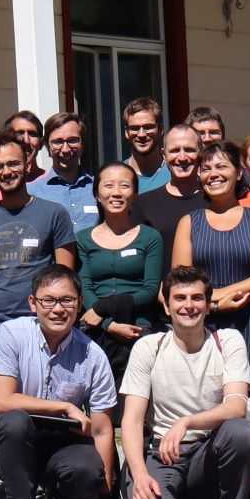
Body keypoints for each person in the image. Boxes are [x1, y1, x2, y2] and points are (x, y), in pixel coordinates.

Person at [171, 143, 250, 499]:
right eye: (206, 168)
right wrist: (216, 303)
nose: (213, 173)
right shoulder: (191, 222)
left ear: (239, 172)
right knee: (207, 411)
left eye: (221, 166)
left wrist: (230, 292)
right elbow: (180, 279)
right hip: (204, 328)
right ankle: (211, 497)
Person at [119, 266, 250, 499]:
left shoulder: (228, 342)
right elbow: (131, 420)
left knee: (241, 432)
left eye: (197, 298)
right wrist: (140, 474)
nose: (189, 305)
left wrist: (187, 422)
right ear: (167, 306)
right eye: (180, 298)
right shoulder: (149, 347)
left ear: (208, 306)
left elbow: (237, 406)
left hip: (209, 451)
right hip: (164, 453)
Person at [0, 267, 118, 499]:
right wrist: (64, 406)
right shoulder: (11, 334)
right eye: (49, 300)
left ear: (80, 303)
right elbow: (4, 400)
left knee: (87, 469)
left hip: (61, 442)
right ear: (33, 303)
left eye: (67, 301)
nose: (58, 309)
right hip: (10, 442)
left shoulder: (93, 355)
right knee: (14, 423)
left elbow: (103, 429)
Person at [0, 133, 80, 366]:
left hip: (44, 325)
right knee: (4, 402)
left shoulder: (54, 214)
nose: (6, 172)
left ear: (27, 164)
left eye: (13, 163)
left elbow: (65, 278)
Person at [75, 162, 164, 378]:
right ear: (96, 194)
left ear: (134, 194)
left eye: (124, 186)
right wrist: (109, 325)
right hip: (96, 329)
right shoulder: (82, 239)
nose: (116, 193)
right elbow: (85, 288)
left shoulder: (150, 237)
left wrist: (105, 307)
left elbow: (150, 290)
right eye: (108, 186)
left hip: (140, 328)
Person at [135, 124, 205, 244]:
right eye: (174, 151)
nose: (182, 157)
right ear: (164, 155)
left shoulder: (215, 201)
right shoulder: (144, 204)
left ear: (200, 153)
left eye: (189, 150)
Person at [32, 112, 99, 234]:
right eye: (58, 142)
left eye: (72, 140)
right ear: (47, 146)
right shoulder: (33, 192)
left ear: (82, 144)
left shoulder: (98, 188)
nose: (65, 149)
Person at [0, 110, 48, 201]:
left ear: (41, 143)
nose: (26, 140)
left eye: (32, 134)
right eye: (19, 133)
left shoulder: (51, 183)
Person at [124, 97, 170, 191]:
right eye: (135, 128)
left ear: (161, 129)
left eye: (148, 127)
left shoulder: (174, 173)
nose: (141, 134)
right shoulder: (117, 176)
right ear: (126, 133)